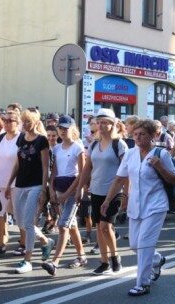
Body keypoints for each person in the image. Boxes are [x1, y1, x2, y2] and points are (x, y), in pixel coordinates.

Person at [101, 118, 175, 296]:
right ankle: (157, 259)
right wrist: (107, 200)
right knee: (135, 245)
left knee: (144, 244)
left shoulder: (161, 154)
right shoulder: (130, 154)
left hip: (156, 205)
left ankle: (143, 283)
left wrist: (159, 166)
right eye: (135, 134)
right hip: (136, 205)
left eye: (142, 134)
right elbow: (120, 178)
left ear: (152, 135)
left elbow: (173, 179)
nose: (137, 137)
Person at [75, 108, 127, 275]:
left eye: (105, 122)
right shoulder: (94, 144)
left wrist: (127, 193)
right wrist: (79, 189)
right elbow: (86, 169)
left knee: (106, 226)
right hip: (96, 190)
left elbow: (126, 170)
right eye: (99, 122)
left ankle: (115, 257)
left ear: (113, 125)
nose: (101, 125)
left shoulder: (119, 144)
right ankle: (104, 261)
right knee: (99, 227)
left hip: (113, 191)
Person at [5, 108, 55, 274]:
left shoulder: (42, 141)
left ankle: (27, 260)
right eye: (23, 121)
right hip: (20, 184)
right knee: (20, 222)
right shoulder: (21, 138)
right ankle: (45, 240)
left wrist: (43, 189)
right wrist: (9, 183)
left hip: (35, 185)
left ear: (35, 122)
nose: (24, 124)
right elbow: (18, 163)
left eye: (27, 121)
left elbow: (45, 166)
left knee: (28, 222)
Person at [41, 115, 88, 276]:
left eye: (65, 128)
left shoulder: (77, 147)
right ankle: (81, 255)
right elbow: (54, 171)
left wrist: (69, 193)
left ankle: (55, 262)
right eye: (60, 128)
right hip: (59, 188)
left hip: (73, 190)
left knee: (63, 225)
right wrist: (52, 189)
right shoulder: (57, 148)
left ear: (72, 129)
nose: (62, 131)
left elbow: (81, 174)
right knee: (70, 224)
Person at [0, 110, 21, 256]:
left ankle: (23, 243)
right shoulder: (1, 137)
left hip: (17, 183)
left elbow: (20, 163)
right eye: (5, 120)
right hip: (0, 182)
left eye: (10, 120)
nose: (7, 123)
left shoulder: (21, 138)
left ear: (17, 122)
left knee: (19, 215)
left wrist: (10, 183)